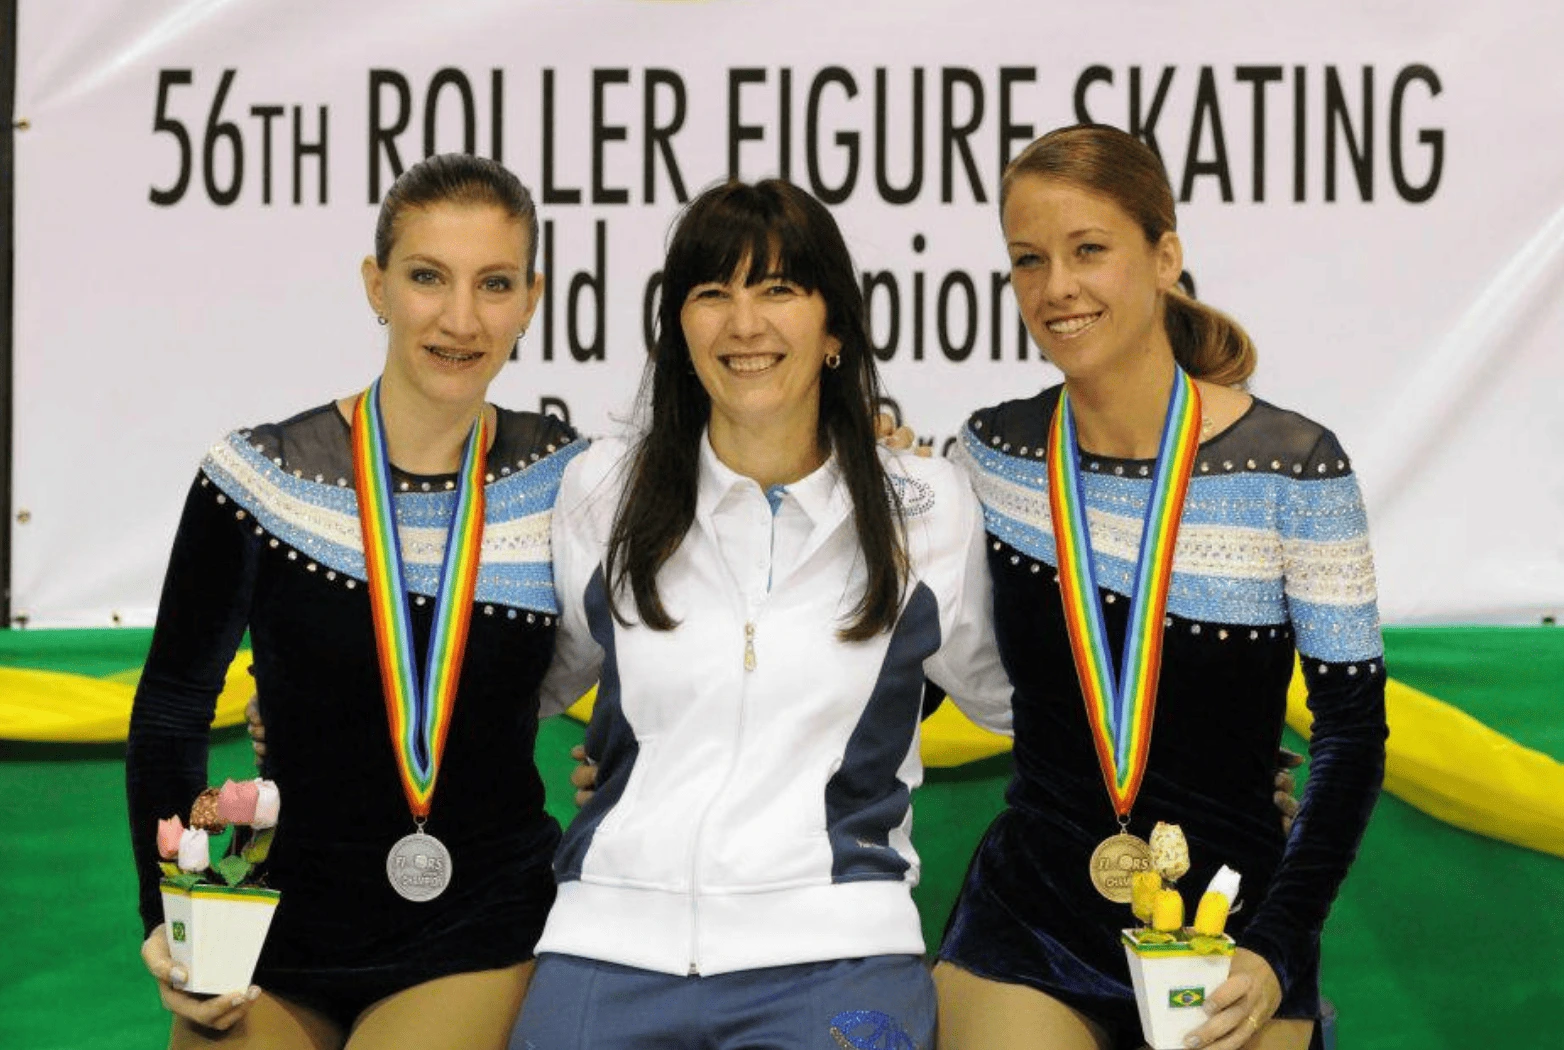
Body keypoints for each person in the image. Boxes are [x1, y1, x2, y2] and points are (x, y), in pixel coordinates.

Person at [508, 178, 1013, 1050]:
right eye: (713, 293)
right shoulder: (603, 492)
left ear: (834, 330)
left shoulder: (927, 508)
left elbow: (1020, 701)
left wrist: (1218, 769)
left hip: (839, 954)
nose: (745, 324)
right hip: (608, 943)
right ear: (680, 331)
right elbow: (519, 688)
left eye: (779, 289)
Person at [934, 124, 1388, 1050]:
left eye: (1088, 250)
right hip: (1034, 913)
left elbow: (1350, 732)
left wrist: (1278, 943)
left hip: (1233, 917)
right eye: (1028, 260)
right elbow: (888, 661)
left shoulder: (1295, 469)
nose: (1055, 287)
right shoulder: (989, 456)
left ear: (1166, 256)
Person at [127, 153, 581, 1049]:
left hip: (479, 923)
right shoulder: (257, 477)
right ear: (376, 285)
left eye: (494, 284)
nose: (460, 318)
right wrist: (174, 922)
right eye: (426, 278)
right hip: (279, 922)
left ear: (531, 297)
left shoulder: (574, 481)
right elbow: (173, 709)